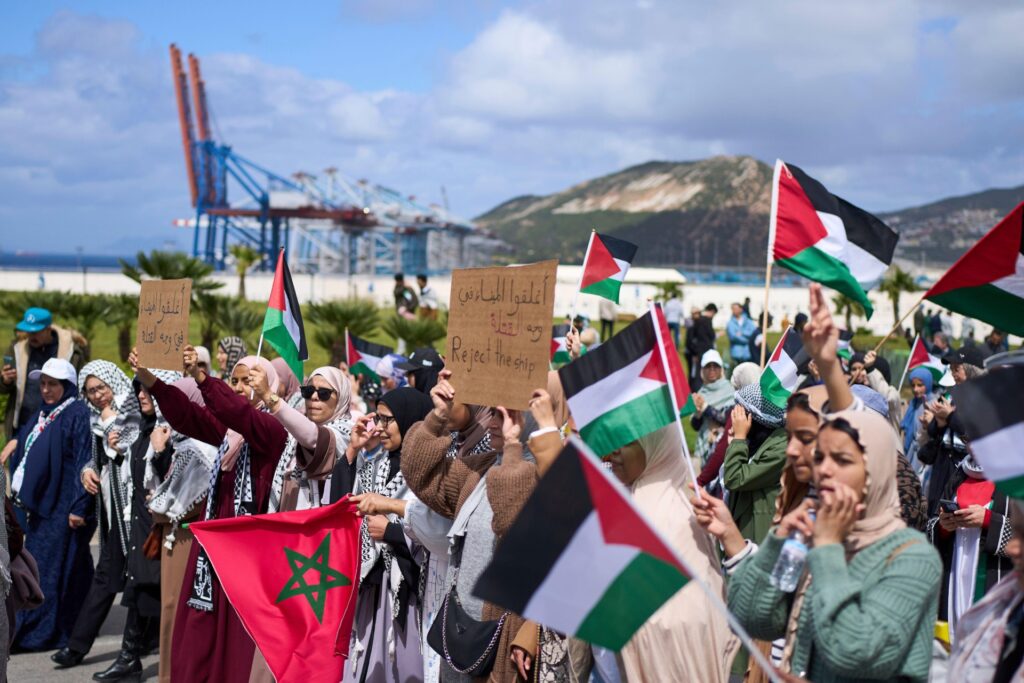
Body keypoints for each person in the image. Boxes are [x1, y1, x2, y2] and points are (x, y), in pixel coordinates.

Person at [728, 409, 942, 681]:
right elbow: (752, 617)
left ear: (876, 468)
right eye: (819, 457)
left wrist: (827, 549)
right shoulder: (815, 534)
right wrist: (779, 540)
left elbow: (853, 651)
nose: (824, 470)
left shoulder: (913, 557)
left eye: (842, 460)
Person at [138, 346, 288, 683]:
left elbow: (241, 414)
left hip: (249, 550)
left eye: (247, 381)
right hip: (217, 543)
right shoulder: (231, 433)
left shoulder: (273, 428)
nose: (238, 388)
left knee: (236, 632)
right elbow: (189, 417)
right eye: (234, 381)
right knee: (202, 622)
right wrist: (152, 382)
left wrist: (203, 379)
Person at [402, 371, 532, 683]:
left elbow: (512, 525)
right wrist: (438, 416)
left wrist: (513, 448)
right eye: (493, 413)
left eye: (506, 415)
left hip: (498, 641)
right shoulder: (482, 468)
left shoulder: (545, 475)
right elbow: (420, 474)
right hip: (460, 630)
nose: (493, 423)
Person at [599, 425, 740, 681]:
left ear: (657, 447)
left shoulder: (675, 516)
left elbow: (684, 621)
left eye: (628, 441)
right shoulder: (632, 501)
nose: (614, 450)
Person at [52, 360, 156, 675]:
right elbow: (95, 457)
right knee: (108, 574)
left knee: (138, 577)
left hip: (134, 511)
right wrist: (87, 471)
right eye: (90, 391)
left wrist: (111, 420)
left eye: (101, 388)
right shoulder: (95, 417)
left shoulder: (132, 410)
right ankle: (80, 646)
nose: (97, 396)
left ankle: (126, 648)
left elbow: (129, 449)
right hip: (112, 509)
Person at [1, 358, 94, 652]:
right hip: (44, 507)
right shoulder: (47, 411)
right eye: (42, 384)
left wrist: (79, 507)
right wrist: (16, 442)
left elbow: (84, 461)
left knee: (47, 570)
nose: (45, 389)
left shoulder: (76, 413)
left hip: (63, 507)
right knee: (69, 567)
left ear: (67, 386)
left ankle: (37, 633)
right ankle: (71, 625)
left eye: (52, 384)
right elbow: (30, 437)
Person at [340, 388, 432, 683]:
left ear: (409, 420)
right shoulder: (376, 464)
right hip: (372, 592)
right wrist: (352, 450)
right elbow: (342, 506)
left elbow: (436, 531)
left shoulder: (426, 472)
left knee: (403, 671)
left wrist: (391, 532)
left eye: (387, 420)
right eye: (377, 418)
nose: (379, 427)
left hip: (406, 595)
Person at [927, 451, 1014, 643]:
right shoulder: (960, 472)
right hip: (954, 584)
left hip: (995, 586)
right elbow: (931, 523)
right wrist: (944, 527)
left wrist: (989, 521)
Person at [250, 364, 353, 513]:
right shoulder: (294, 433)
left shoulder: (348, 432)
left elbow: (314, 438)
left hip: (324, 521)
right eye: (308, 391)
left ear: (341, 398)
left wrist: (268, 396)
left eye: (324, 393)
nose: (314, 397)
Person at [947, 500, 1024, 680]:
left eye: (1022, 534)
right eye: (1016, 532)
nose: (1012, 548)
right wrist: (945, 525)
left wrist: (991, 521)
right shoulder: (1010, 604)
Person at [2, 307, 87, 439]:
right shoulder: (17, 349)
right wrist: (5, 381)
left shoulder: (71, 352)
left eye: (36, 332)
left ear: (48, 329)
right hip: (22, 425)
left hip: (57, 425)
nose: (31, 336)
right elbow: (3, 389)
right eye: (29, 331)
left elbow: (82, 387)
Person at [723, 382, 788, 545]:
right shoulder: (757, 441)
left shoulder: (780, 448)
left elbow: (734, 478)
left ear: (755, 419)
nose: (736, 420)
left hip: (758, 537)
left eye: (742, 414)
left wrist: (739, 440)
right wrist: (738, 442)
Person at [690, 350, 735, 466]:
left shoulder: (730, 390)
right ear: (702, 370)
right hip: (706, 447)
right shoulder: (701, 393)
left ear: (721, 368)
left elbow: (726, 419)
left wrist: (705, 407)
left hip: (724, 447)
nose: (712, 369)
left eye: (715, 366)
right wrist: (698, 414)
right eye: (708, 366)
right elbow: (695, 426)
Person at [685, 304, 717, 390]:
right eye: (694, 313)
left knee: (697, 374)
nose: (696, 315)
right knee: (697, 374)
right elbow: (690, 340)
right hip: (697, 352)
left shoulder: (696, 323)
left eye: (698, 313)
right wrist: (695, 352)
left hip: (697, 351)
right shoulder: (694, 324)